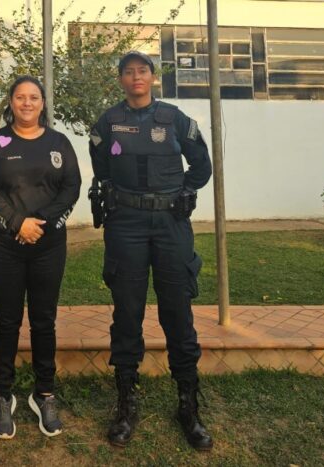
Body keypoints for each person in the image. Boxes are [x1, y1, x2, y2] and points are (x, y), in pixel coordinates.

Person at [89, 51, 214, 450]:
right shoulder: (108, 121)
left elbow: (202, 165)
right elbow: (100, 166)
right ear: (121, 80)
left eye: (142, 71)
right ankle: (126, 403)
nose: (136, 77)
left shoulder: (176, 118)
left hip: (170, 224)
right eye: (128, 72)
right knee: (127, 309)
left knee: (177, 308)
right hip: (125, 223)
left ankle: (188, 404)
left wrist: (186, 192)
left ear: (153, 78)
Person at [0, 76, 82, 440]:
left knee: (44, 321)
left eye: (33, 97)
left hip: (48, 245)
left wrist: (44, 224)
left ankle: (44, 394)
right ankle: (3, 395)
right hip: (4, 245)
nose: (26, 103)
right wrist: (19, 223)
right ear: (10, 102)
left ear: (42, 104)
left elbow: (72, 188)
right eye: (20, 97)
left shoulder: (59, 142)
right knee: (7, 322)